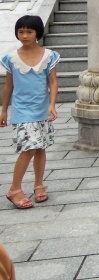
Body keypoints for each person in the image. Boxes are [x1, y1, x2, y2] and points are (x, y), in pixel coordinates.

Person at [0, 15, 59, 210]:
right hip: (22, 110)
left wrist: (52, 104)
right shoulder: (11, 58)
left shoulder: (49, 56)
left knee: (40, 147)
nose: (24, 35)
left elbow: (52, 82)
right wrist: (4, 111)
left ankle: (38, 185)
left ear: (37, 33)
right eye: (21, 31)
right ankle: (14, 189)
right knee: (29, 147)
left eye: (29, 32)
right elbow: (8, 86)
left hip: (41, 108)